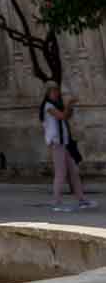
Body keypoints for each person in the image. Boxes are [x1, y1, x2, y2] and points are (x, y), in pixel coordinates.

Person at [40, 82, 93, 213]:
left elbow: (66, 116)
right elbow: (62, 116)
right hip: (57, 143)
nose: (56, 93)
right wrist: (68, 105)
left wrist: (70, 107)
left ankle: (81, 200)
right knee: (61, 173)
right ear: (48, 93)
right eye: (53, 91)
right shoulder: (48, 106)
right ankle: (56, 203)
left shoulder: (56, 105)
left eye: (57, 91)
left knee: (73, 171)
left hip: (65, 143)